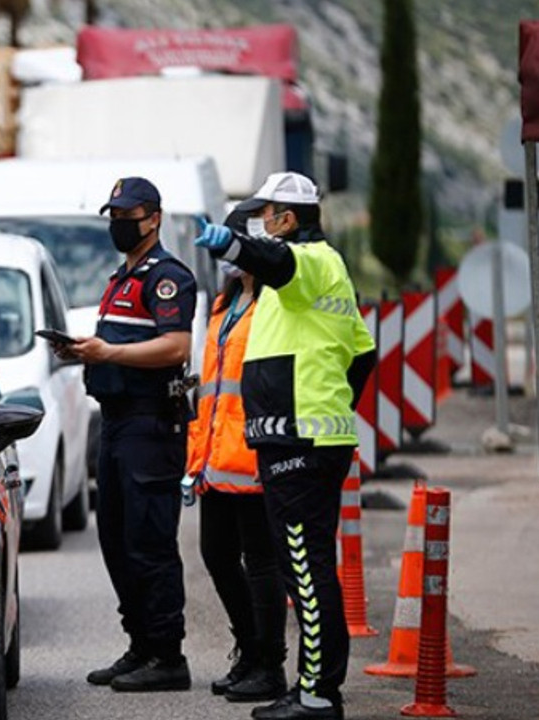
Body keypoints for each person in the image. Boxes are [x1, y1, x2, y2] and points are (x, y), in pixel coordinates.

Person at [193, 172, 376, 720]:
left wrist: (231, 243)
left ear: (287, 220)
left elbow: (278, 262)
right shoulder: (310, 284)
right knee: (307, 565)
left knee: (305, 565)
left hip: (301, 438)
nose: (261, 224)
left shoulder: (311, 262)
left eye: (266, 215)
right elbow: (362, 354)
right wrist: (334, 405)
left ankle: (318, 693)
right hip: (305, 434)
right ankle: (313, 685)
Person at [49, 176, 197, 692]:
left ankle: (168, 655)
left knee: (149, 541)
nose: (119, 223)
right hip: (114, 422)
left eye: (127, 214)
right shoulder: (121, 277)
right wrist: (82, 351)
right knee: (114, 538)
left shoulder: (168, 277)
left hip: (149, 423)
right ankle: (142, 644)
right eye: (112, 214)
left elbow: (176, 347)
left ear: (153, 218)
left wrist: (107, 353)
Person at [186, 206, 287, 705]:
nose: (227, 252)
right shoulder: (227, 306)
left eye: (233, 241)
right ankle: (249, 650)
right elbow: (212, 386)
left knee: (262, 561)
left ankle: (270, 664)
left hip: (253, 451)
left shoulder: (275, 303)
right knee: (216, 555)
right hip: (217, 456)